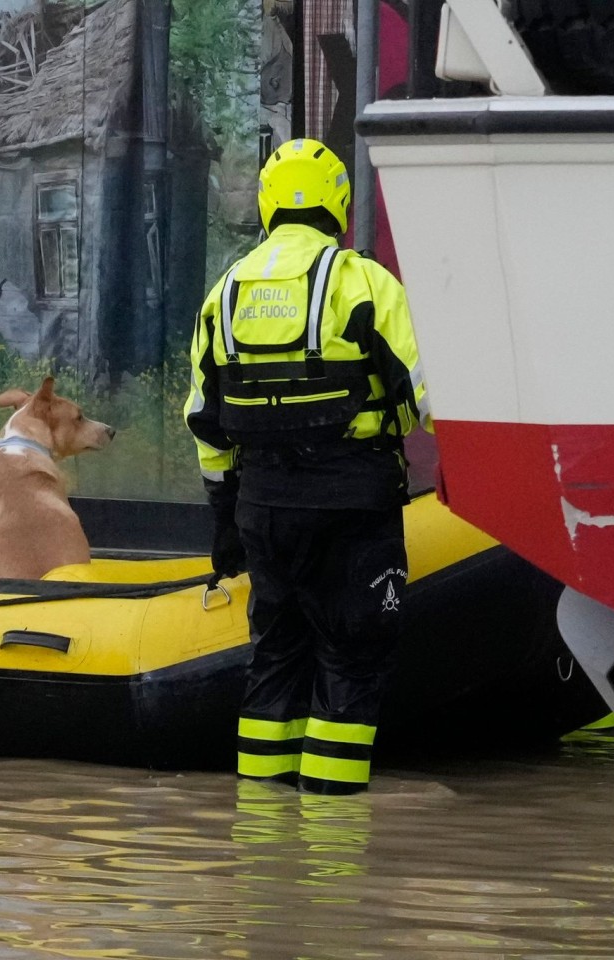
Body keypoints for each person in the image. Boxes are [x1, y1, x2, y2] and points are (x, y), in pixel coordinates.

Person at [184, 138, 430, 795]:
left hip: (262, 509)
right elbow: (424, 396)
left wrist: (224, 523)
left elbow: (205, 425)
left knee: (274, 661)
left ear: (267, 207)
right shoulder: (364, 283)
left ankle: (263, 841)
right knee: (352, 665)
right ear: (339, 206)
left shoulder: (224, 296)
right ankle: (332, 856)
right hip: (354, 505)